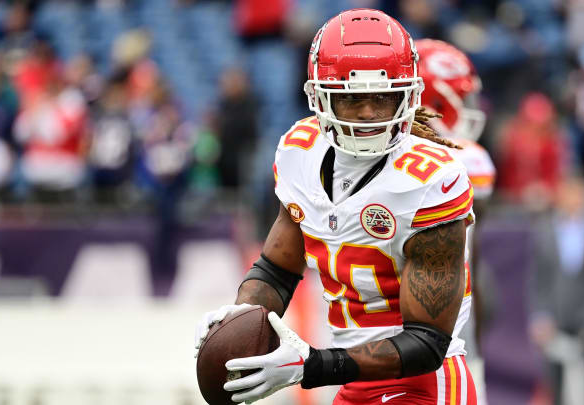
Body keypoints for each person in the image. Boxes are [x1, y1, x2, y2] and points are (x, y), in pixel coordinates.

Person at [195, 8, 478, 405]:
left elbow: (427, 343)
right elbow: (277, 270)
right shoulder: (300, 152)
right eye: (352, 98)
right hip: (353, 381)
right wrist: (240, 314)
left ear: (409, 95)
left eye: (383, 96)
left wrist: (311, 366)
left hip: (426, 384)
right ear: (319, 97)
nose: (367, 113)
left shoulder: (431, 180)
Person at [416, 38, 496, 405]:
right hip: (436, 339)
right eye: (462, 97)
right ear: (434, 100)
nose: (469, 108)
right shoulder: (462, 161)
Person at [527, 174, 584, 405]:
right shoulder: (546, 230)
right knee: (555, 387)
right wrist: (541, 315)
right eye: (568, 193)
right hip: (556, 317)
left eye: (578, 193)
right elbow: (538, 277)